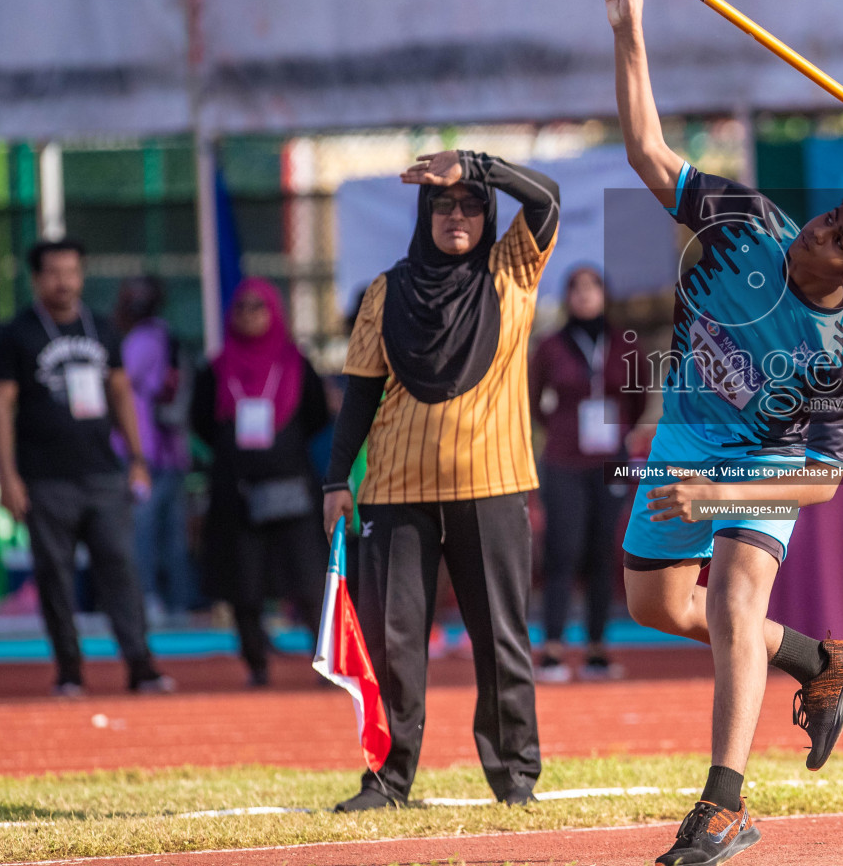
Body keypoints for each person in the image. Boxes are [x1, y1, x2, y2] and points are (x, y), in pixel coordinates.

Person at [602, 0, 843, 865]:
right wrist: (631, 33)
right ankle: (822, 661)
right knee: (656, 604)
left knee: (735, 603)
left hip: (762, 461)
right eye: (836, 216)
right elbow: (647, 155)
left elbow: (825, 479)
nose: (827, 228)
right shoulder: (746, 219)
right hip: (688, 430)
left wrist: (710, 500)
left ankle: (724, 805)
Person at [322, 147, 561, 811]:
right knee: (395, 645)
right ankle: (387, 780)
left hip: (493, 482)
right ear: (425, 215)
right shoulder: (385, 292)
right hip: (396, 491)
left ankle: (515, 779)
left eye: (469, 207)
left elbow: (545, 198)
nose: (457, 216)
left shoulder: (513, 266)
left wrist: (475, 167)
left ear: (486, 214)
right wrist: (336, 481)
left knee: (501, 639)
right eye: (445, 206)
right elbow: (360, 396)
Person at [0, 240, 173, 696]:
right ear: (36, 278)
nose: (64, 282)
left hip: (104, 475)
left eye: (72, 271)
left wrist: (137, 459)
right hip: (45, 479)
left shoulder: (102, 329)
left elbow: (121, 393)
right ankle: (69, 669)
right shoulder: (17, 335)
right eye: (53, 273)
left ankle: (140, 665)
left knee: (120, 569)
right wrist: (7, 476)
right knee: (55, 575)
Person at [192, 279, 331, 687]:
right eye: (242, 307)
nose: (250, 314)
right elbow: (200, 422)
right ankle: (256, 663)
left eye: (259, 306)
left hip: (291, 487)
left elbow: (317, 416)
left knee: (310, 582)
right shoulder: (216, 368)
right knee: (244, 584)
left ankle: (323, 662)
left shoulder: (295, 363)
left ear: (274, 311)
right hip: (237, 492)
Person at [528, 265, 647, 682]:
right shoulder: (550, 346)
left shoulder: (625, 345)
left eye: (592, 287)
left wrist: (622, 437)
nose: (583, 295)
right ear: (566, 297)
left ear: (604, 294)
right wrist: (558, 432)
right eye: (575, 288)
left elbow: (638, 397)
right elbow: (532, 399)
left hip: (610, 462)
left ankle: (598, 648)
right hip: (563, 463)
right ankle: (553, 648)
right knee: (563, 552)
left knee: (602, 552)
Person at [113, 276, 195, 620]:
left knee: (143, 529)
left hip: (142, 452)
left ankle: (147, 597)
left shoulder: (141, 340)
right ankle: (177, 601)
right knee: (170, 531)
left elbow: (118, 383)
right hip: (169, 450)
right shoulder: (169, 337)